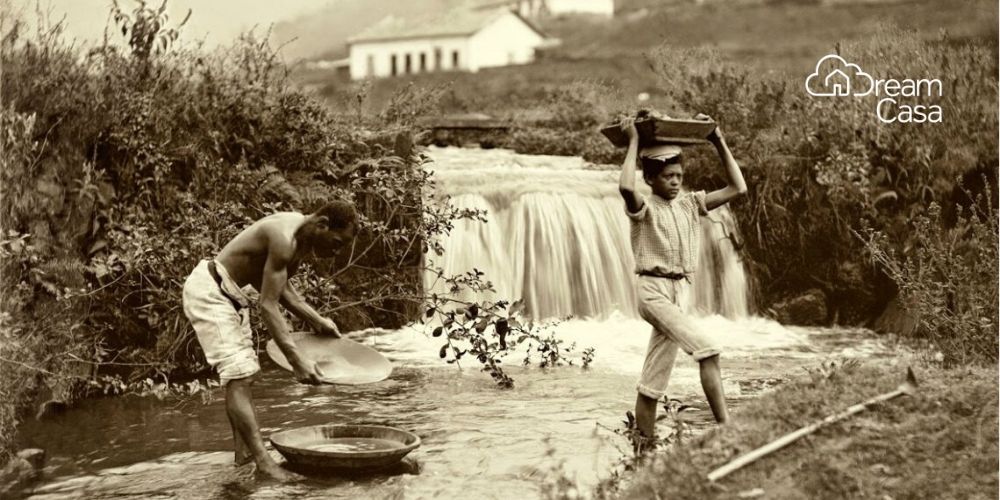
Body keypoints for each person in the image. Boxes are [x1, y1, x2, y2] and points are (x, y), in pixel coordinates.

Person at [181, 200, 358, 480]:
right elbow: (268, 304)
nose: (336, 251)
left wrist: (318, 320)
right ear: (322, 224)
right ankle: (264, 464)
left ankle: (244, 457)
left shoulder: (298, 237)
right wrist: (296, 359)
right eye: (336, 242)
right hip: (210, 292)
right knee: (239, 376)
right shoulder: (283, 237)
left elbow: (283, 287)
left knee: (245, 376)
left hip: (232, 298)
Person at [618, 114, 747, 450]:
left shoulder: (691, 204)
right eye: (667, 176)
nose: (675, 182)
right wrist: (633, 139)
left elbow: (738, 187)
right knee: (708, 350)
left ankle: (641, 449)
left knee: (652, 382)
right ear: (651, 178)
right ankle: (726, 429)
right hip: (652, 291)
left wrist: (717, 140)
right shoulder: (644, 208)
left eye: (679, 176)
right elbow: (625, 187)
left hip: (679, 293)